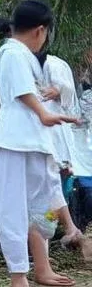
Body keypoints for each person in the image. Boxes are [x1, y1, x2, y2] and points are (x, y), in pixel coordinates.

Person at [0, 3, 78, 287]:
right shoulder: (12, 52)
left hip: (37, 141)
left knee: (47, 204)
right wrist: (43, 113)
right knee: (12, 209)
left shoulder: (25, 55)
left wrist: (45, 118)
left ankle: (43, 266)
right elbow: (22, 92)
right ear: (41, 31)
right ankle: (18, 277)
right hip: (14, 141)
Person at [37, 50, 85, 249]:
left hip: (55, 145)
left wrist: (57, 90)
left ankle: (61, 231)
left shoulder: (53, 63)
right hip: (42, 141)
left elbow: (66, 90)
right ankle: (65, 230)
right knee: (48, 194)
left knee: (56, 191)